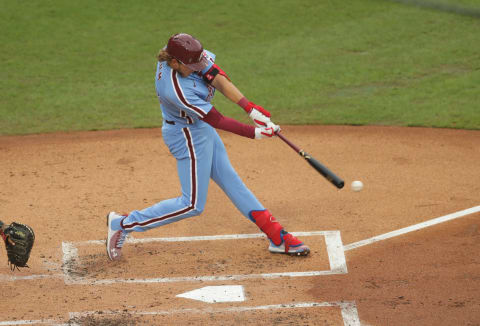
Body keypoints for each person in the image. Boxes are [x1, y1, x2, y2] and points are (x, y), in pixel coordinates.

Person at [106, 33, 310, 261]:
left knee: (231, 180)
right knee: (192, 204)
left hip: (199, 128)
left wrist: (250, 109)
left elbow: (215, 75)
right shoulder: (175, 91)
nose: (197, 68)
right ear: (174, 63)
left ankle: (277, 236)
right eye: (191, 66)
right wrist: (256, 133)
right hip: (186, 135)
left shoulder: (182, 53)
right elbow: (217, 120)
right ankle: (122, 223)